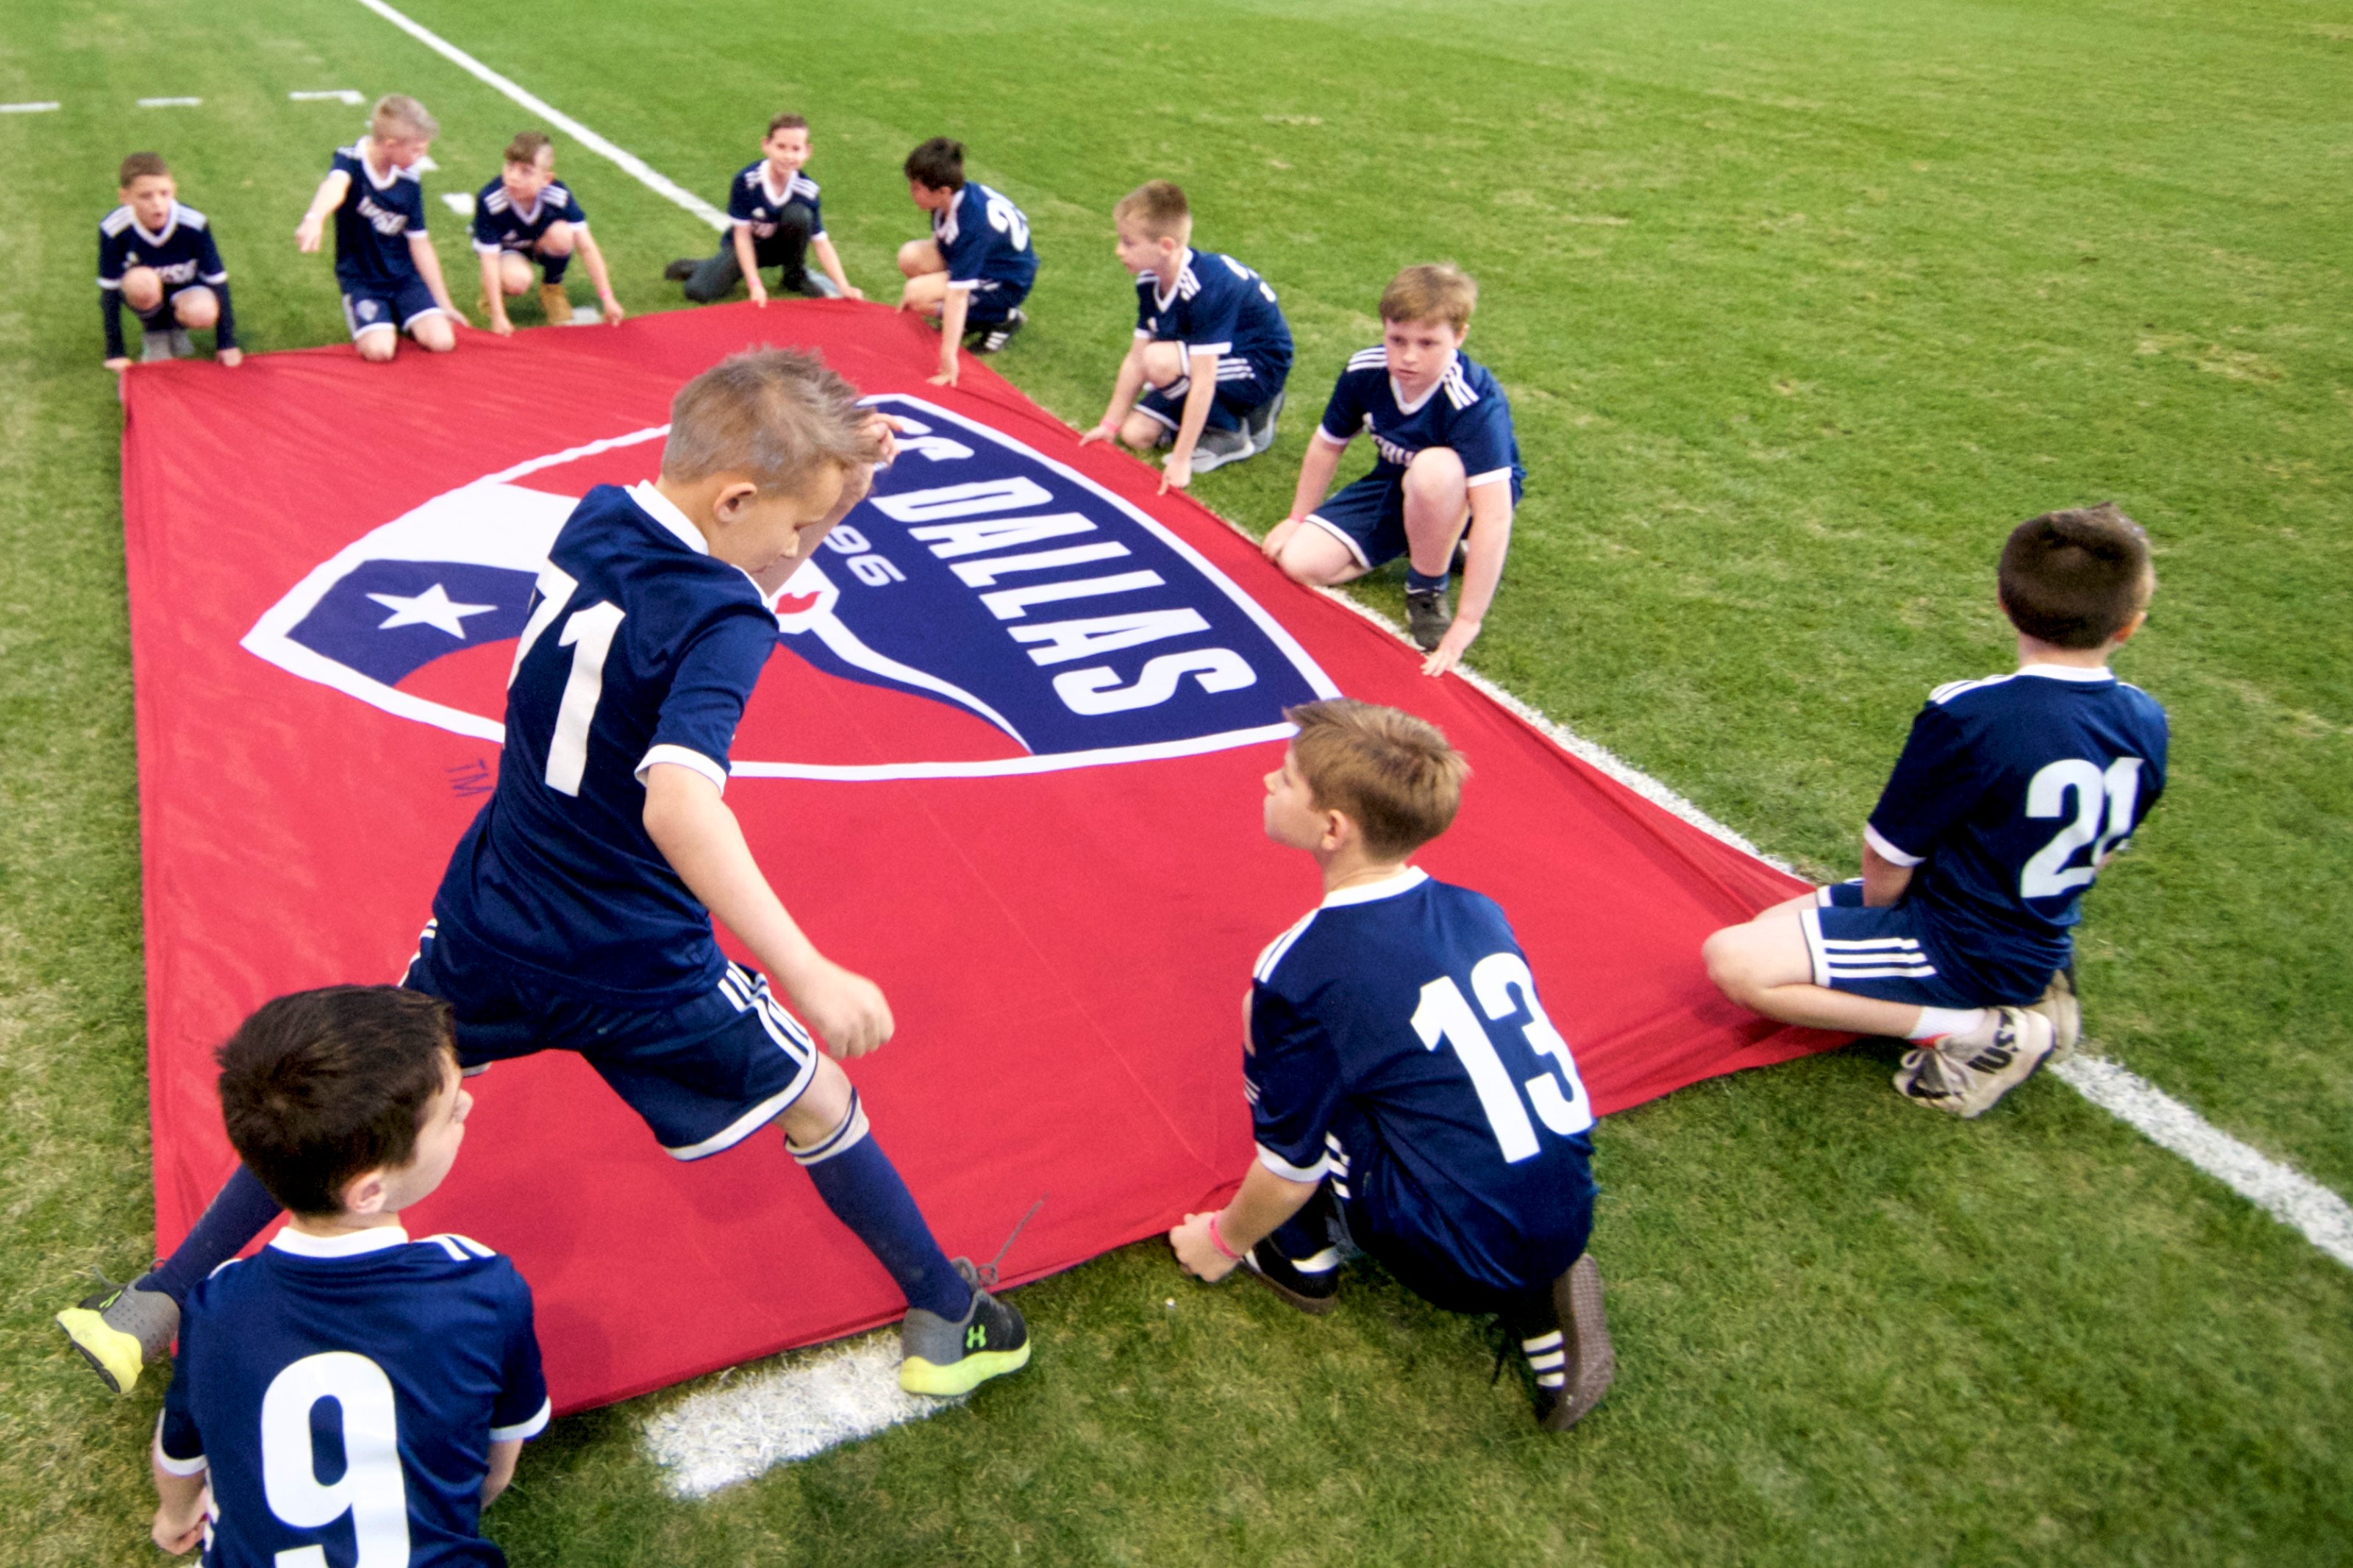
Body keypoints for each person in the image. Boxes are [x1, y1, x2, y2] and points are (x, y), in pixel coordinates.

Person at [60, 350, 1030, 1404]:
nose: (799, 552)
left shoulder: (597, 517)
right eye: (798, 528)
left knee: (374, 1094)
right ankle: (944, 1308)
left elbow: (749, 541)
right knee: (820, 1098)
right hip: (637, 960)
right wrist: (808, 966)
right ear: (738, 500)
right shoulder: (725, 618)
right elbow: (677, 800)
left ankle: (151, 1305)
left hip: (493, 912)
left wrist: (838, 491)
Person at [1168, 701, 1614, 1431]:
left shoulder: (1301, 966)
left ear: (1332, 828)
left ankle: (1302, 1254)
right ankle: (1539, 1286)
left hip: (1450, 1254)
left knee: (1306, 1075)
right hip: (1568, 1198)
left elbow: (1287, 1167)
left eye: (1284, 780)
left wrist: (1218, 1242)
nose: (1265, 782)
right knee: (1389, 1069)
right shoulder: (1477, 908)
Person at [1702, 504, 2168, 1119]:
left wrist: (1882, 928)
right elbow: (2102, 849)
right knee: (1769, 927)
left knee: (1735, 962)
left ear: (2003, 602)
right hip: (2025, 924)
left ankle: (1978, 1030)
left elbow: (1888, 853)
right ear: (2128, 625)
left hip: (1959, 936)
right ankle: (2033, 984)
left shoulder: (1972, 712)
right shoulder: (2145, 716)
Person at [137, 986, 548, 1564]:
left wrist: (175, 1515)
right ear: (369, 1190)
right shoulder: (482, 1286)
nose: (468, 1108)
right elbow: (490, 1473)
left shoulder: (215, 1305)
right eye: (450, 1109)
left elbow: (178, 1456)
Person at [1258, 264, 1523, 676]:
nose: (1409, 356)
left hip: (1463, 493)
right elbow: (1329, 444)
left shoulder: (1471, 399)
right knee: (1300, 563)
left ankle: (1426, 586)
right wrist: (1297, 518)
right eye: (1397, 340)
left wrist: (1469, 620)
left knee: (1435, 468)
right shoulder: (1366, 371)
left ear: (1460, 336)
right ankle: (1430, 540)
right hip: (1396, 484)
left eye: (1428, 343)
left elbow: (1495, 512)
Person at [1078, 179, 1291, 493]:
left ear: (1165, 246)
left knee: (1160, 361)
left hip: (1259, 362)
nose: (1119, 250)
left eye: (1129, 242)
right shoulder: (1149, 281)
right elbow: (1136, 358)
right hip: (1202, 356)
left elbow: (1203, 378)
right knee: (1136, 434)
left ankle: (1230, 432)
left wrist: (1180, 459)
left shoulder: (1207, 288)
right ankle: (1220, 416)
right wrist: (1109, 425)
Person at [294, 93, 464, 363]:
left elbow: (420, 242)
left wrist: (443, 302)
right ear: (390, 144)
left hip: (404, 278)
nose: (423, 156)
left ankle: (401, 312)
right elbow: (335, 187)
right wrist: (315, 217)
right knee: (380, 351)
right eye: (416, 149)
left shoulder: (409, 177)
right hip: (363, 281)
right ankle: (384, 318)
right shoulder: (350, 159)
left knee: (442, 341)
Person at [667, 112, 859, 306]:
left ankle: (794, 276)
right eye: (781, 147)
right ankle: (702, 267)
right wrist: (755, 284)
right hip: (748, 245)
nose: (788, 156)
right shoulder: (747, 181)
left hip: (781, 248)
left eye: (796, 149)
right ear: (766, 145)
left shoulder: (807, 190)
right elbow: (741, 235)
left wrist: (843, 286)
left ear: (807, 152)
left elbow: (821, 242)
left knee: (799, 215)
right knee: (697, 291)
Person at [896, 137, 1036, 387]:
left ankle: (1002, 318)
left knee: (917, 295)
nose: (911, 193)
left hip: (1004, 282)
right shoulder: (952, 199)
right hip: (990, 263)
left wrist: (948, 356)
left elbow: (958, 295)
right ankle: (973, 315)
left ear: (943, 191)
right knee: (910, 257)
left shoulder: (972, 225)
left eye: (917, 188)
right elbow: (945, 242)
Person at [98, 152, 241, 371]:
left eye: (164, 193)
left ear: (174, 190)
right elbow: (109, 291)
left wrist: (227, 343)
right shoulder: (114, 229)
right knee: (141, 282)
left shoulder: (194, 224)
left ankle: (176, 329)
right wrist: (115, 352)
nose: (158, 204)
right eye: (146, 196)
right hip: (145, 293)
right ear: (125, 197)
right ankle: (155, 335)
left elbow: (217, 281)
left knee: (203, 311)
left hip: (186, 291)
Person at [473, 131, 624, 334]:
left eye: (526, 171)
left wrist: (608, 298)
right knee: (518, 280)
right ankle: (494, 291)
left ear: (546, 179)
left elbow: (586, 247)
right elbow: (489, 258)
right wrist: (499, 316)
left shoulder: (558, 197)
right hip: (505, 249)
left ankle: (551, 288)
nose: (513, 177)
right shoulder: (491, 200)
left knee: (564, 235)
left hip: (538, 241)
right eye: (510, 166)